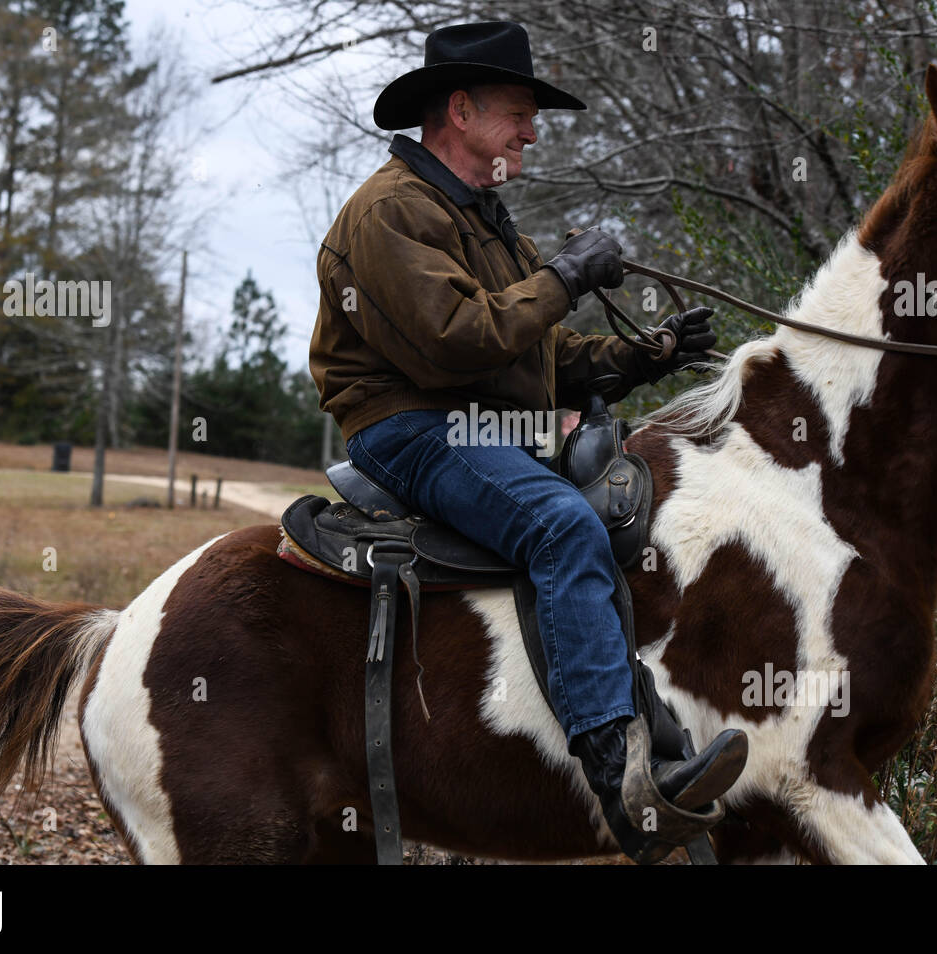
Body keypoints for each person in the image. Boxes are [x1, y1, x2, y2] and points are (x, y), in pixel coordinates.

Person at [309, 20, 746, 860]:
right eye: (520, 112)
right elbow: (457, 340)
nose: (533, 131)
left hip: (479, 421)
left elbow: (533, 356)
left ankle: (660, 737)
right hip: (410, 427)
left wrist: (639, 355)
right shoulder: (391, 210)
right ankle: (621, 782)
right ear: (462, 109)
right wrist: (568, 275)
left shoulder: (485, 218)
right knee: (561, 524)